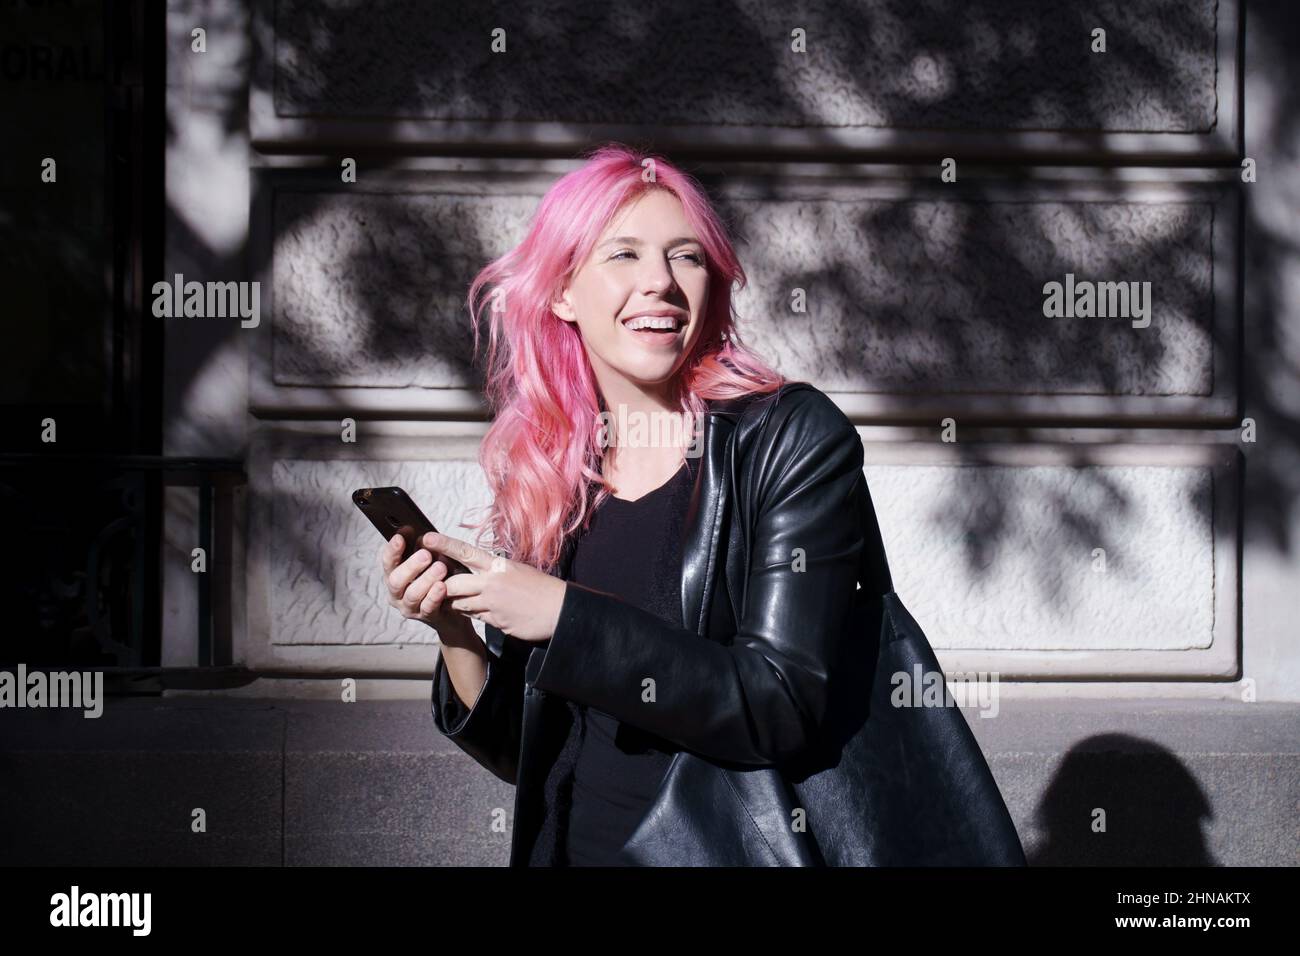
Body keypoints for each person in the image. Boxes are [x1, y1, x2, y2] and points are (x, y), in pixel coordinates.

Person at [377, 142, 867, 865]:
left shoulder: (788, 439)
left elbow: (781, 704)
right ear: (562, 292)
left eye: (687, 256)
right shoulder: (554, 469)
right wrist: (453, 629)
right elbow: (526, 751)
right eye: (624, 255)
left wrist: (565, 615)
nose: (661, 283)